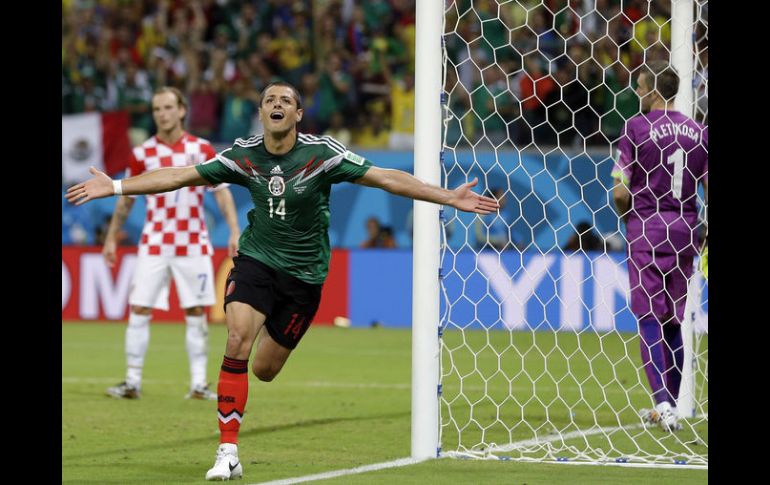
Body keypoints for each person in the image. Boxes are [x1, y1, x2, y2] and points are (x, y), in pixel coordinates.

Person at [66, 81, 499, 481]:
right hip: (256, 260)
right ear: (260, 112)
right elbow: (180, 176)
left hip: (305, 277)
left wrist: (447, 196)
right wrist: (119, 187)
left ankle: (237, 409)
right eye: (270, 100)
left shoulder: (324, 154)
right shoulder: (243, 154)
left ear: (298, 114)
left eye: (285, 101)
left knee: (264, 369)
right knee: (236, 339)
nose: (277, 105)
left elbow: (386, 178)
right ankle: (228, 451)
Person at [101, 87, 241, 401]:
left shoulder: (202, 149)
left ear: (181, 110)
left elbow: (221, 192)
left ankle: (198, 384)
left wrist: (234, 230)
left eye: (167, 107)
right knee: (139, 308)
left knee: (195, 311)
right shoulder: (142, 153)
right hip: (154, 243)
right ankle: (132, 382)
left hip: (193, 243)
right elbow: (126, 200)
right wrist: (112, 236)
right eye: (156, 109)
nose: (161, 114)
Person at [611, 61, 708, 432]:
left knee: (649, 317)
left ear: (652, 91)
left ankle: (663, 403)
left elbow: (621, 189)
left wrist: (627, 216)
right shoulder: (700, 132)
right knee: (674, 320)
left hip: (647, 228)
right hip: (686, 231)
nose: (638, 94)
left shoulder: (635, 128)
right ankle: (671, 404)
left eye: (639, 87)